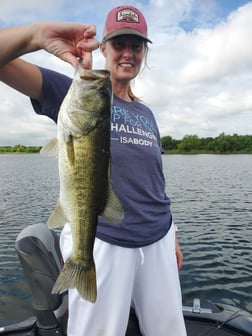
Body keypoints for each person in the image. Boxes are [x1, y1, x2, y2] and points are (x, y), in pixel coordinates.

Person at [0, 5, 186, 336]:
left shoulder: (147, 114)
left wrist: (173, 234)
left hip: (158, 237)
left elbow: (154, 180)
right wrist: (37, 34)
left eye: (136, 45)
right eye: (119, 44)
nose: (128, 53)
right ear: (103, 48)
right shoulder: (71, 92)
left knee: (169, 330)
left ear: (145, 52)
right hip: (103, 239)